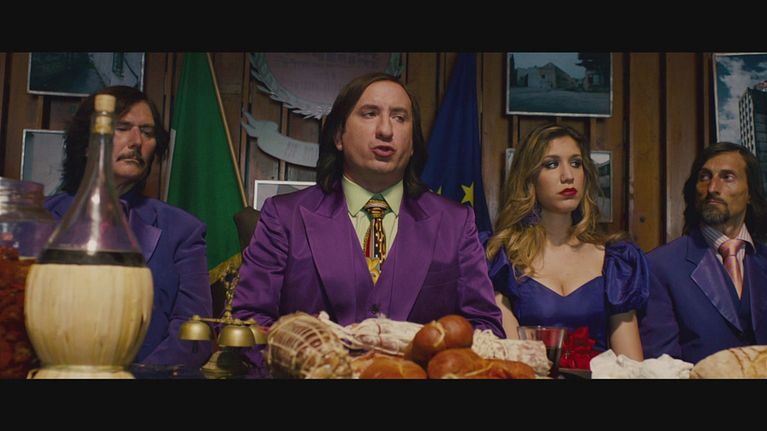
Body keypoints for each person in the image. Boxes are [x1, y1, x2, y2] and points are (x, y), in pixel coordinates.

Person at [232, 73, 504, 364]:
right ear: (338, 135)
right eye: (370, 114)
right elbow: (249, 323)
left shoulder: (455, 222)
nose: (386, 130)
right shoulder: (284, 217)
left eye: (399, 117)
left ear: (413, 142)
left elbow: (485, 329)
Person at [45, 86, 212, 368]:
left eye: (147, 132)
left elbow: (195, 332)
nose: (136, 141)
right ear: (88, 143)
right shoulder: (39, 217)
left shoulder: (183, 230)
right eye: (122, 128)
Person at [485, 123, 648, 361]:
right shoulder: (503, 260)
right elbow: (514, 360)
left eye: (576, 163)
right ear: (529, 177)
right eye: (552, 164)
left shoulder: (617, 260)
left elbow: (632, 365)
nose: (568, 176)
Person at [639, 142, 767, 363]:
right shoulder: (659, 266)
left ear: (750, 193)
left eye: (727, 177)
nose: (713, 188)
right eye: (705, 177)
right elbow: (662, 366)